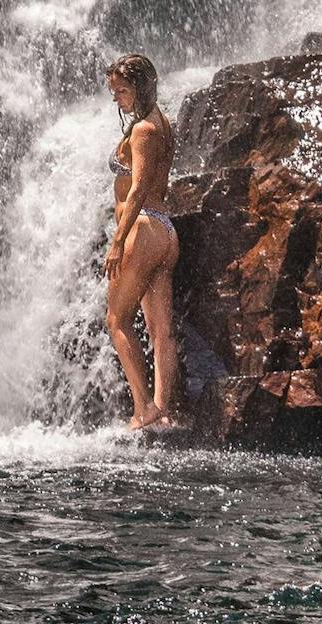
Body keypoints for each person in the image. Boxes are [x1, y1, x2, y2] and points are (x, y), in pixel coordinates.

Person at [103, 53, 179, 430]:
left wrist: (118, 241)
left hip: (143, 229)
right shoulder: (163, 123)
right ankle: (162, 410)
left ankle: (142, 408)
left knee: (117, 320)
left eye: (122, 90)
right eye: (114, 91)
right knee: (160, 329)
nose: (116, 98)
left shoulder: (143, 130)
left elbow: (137, 190)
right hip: (164, 230)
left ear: (141, 87)